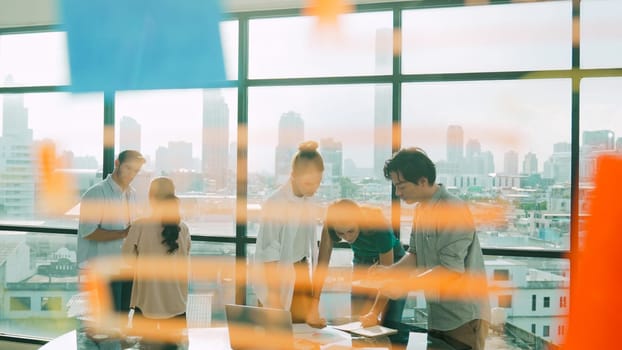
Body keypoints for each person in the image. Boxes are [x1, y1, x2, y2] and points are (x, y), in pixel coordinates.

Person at [377, 147, 490, 350]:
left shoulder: (452, 209)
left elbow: (450, 270)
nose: (397, 192)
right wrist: (389, 273)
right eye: (395, 186)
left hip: (464, 317)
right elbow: (415, 254)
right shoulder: (422, 209)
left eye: (401, 186)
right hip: (438, 315)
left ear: (422, 181)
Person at [76, 149, 146, 349]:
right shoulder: (97, 194)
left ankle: (121, 343)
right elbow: (89, 232)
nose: (131, 175)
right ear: (117, 163)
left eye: (136, 171)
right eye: (128, 168)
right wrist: (124, 233)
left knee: (123, 314)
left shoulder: (132, 195)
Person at [253, 140, 324, 323]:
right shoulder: (275, 203)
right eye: (309, 183)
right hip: (276, 277)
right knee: (275, 335)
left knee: (302, 333)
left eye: (318, 183)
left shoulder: (309, 200)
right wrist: (275, 299)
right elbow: (268, 256)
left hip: (300, 271)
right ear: (293, 176)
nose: (314, 188)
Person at [307, 199, 406, 328]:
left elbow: (387, 278)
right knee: (358, 322)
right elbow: (322, 266)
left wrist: (374, 313)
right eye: (340, 233)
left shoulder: (379, 226)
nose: (347, 238)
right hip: (362, 262)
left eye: (351, 231)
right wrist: (314, 305)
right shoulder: (331, 224)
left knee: (390, 322)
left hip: (394, 265)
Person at [122, 177, 191, 350]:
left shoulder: (139, 226)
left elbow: (126, 259)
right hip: (176, 304)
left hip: (147, 303)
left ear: (151, 197)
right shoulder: (183, 228)